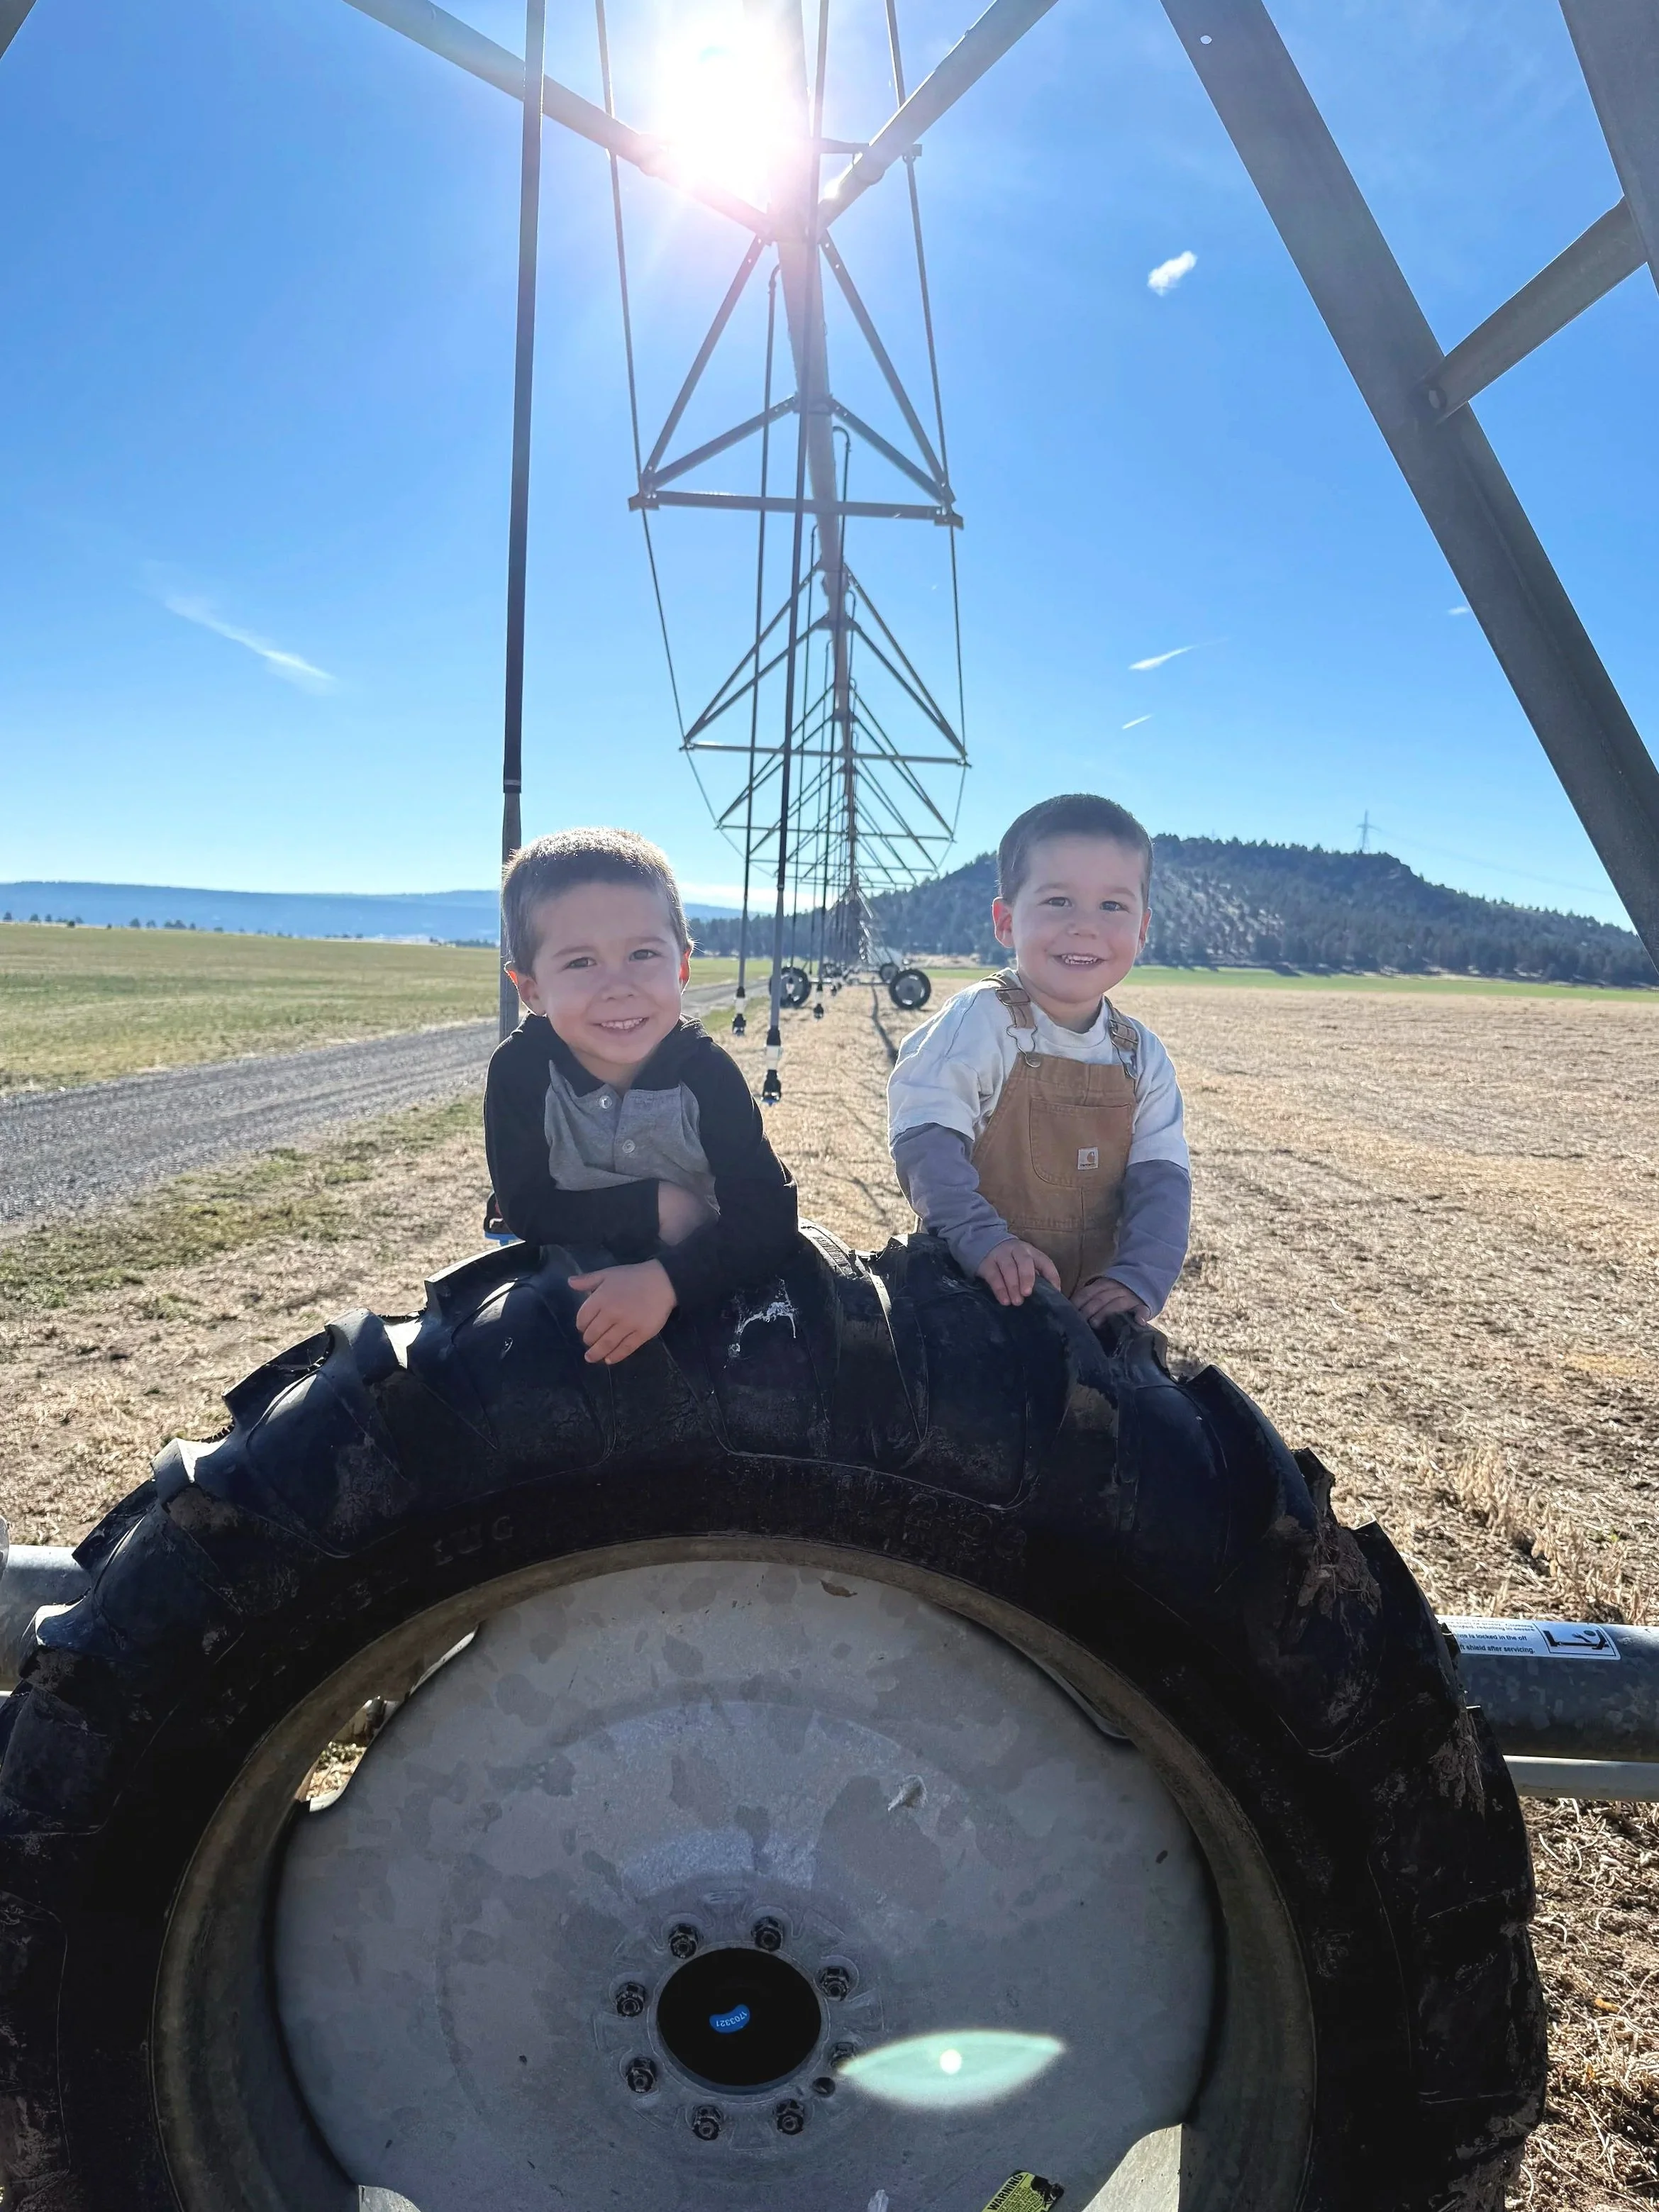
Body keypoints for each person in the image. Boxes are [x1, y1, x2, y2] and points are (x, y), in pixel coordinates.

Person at [484, 828, 799, 1365]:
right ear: (531, 988)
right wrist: (655, 1205)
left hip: (705, 1283)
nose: (618, 986)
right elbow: (527, 1207)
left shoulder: (707, 1076)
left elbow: (767, 1213)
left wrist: (665, 1281)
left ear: (681, 965)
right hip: (568, 1293)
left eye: (643, 954)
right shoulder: (521, 1073)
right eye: (581, 963)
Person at [887, 793, 1189, 1324]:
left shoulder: (1142, 1056)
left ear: (1142, 929)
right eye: (1057, 902)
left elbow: (1160, 1182)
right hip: (967, 1300)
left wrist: (1139, 1277)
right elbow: (924, 1140)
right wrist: (982, 1241)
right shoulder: (979, 1021)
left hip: (1090, 1315)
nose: (1085, 926)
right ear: (1005, 922)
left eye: (1112, 906)